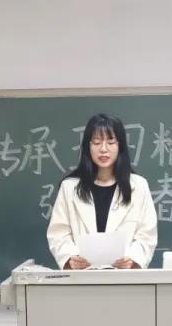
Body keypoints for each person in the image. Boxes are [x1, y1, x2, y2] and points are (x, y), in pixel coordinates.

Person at [47, 113, 158, 270]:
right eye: (97, 142)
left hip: (124, 278)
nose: (103, 149)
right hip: (82, 277)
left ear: (120, 146)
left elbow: (147, 235)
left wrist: (132, 259)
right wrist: (71, 257)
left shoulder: (139, 186)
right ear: (88, 146)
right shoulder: (69, 188)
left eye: (111, 142)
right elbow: (58, 233)